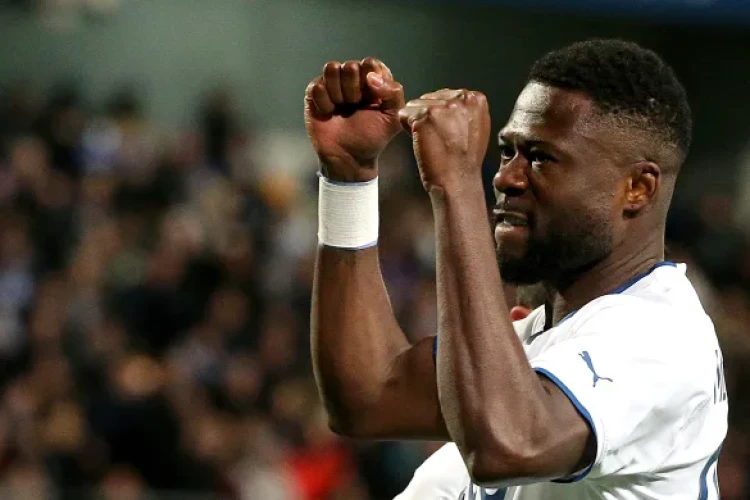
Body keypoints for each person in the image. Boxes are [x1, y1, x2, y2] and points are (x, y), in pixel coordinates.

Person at [303, 39, 728, 499]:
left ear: (637, 188)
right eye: (508, 151)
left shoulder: (662, 337)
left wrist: (457, 181)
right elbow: (368, 398)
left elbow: (508, 447)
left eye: (540, 157)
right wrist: (349, 177)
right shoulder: (540, 337)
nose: (505, 177)